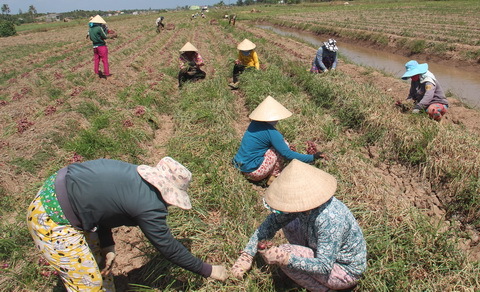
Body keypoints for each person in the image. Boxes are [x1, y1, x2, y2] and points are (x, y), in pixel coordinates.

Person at [26, 157, 227, 291]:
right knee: (88, 284)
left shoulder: (133, 177)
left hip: (60, 192)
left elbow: (100, 204)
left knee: (101, 267)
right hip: (51, 217)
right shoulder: (149, 205)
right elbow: (168, 248)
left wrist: (107, 245)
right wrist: (208, 270)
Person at [231, 159, 367, 291]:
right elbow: (272, 223)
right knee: (289, 224)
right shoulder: (304, 204)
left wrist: (286, 259)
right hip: (321, 250)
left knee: (287, 252)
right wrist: (248, 254)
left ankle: (323, 289)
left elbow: (325, 266)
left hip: (343, 270)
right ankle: (303, 259)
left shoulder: (329, 219)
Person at [232, 95, 325, 185]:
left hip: (240, 166)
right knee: (282, 147)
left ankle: (264, 173)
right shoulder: (272, 133)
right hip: (253, 172)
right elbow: (288, 154)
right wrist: (313, 157)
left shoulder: (254, 123)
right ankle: (274, 177)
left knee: (276, 145)